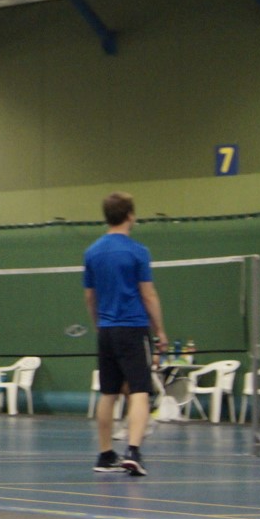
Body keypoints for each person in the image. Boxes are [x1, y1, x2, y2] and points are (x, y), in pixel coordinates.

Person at [84, 191, 168, 476]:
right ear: (130, 215)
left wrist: (98, 324)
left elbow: (89, 296)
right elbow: (149, 294)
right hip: (133, 329)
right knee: (140, 391)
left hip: (106, 331)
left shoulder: (92, 252)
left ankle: (105, 454)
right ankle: (133, 451)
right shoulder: (137, 251)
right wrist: (160, 331)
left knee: (108, 393)